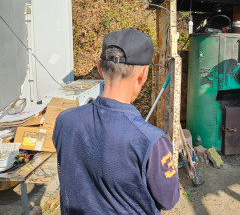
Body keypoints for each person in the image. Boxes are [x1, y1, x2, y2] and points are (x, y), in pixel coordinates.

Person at [53, 28, 180, 214]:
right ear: (143, 74)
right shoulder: (152, 141)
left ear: (99, 68)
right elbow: (168, 200)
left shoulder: (64, 121)